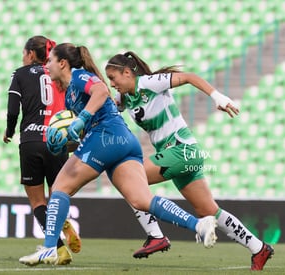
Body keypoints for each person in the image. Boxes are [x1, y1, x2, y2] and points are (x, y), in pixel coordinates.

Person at [18, 43, 218, 266]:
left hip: (105, 136)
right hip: (122, 141)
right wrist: (64, 145)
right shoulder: (68, 95)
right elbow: (82, 134)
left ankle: (50, 248)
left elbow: (102, 91)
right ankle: (198, 225)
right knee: (141, 200)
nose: (47, 66)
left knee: (59, 188)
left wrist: (82, 117)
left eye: (50, 61)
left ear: (63, 63)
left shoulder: (79, 77)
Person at [104, 51, 275, 271]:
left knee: (129, 180)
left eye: (113, 77)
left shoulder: (148, 83)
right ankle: (258, 248)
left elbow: (188, 77)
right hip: (184, 155)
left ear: (127, 72)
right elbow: (109, 107)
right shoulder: (125, 97)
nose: (112, 83)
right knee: (209, 211)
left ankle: (155, 236)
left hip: (181, 150)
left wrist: (217, 96)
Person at [3, 35, 81, 266]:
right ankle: (62, 221)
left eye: (23, 53)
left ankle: (58, 248)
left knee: (38, 201)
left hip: (32, 140)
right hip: (58, 140)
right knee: (57, 194)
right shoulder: (59, 73)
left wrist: (9, 130)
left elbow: (12, 108)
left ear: (30, 54)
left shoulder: (20, 73)